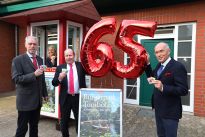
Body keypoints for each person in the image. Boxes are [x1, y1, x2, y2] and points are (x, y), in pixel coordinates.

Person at [145, 42, 188, 137]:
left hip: (170, 112)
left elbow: (183, 90)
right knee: (161, 134)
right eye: (156, 52)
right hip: (158, 109)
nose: (159, 54)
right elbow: (152, 78)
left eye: (161, 51)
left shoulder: (177, 67)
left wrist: (163, 87)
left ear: (168, 51)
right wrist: (147, 63)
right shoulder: (159, 65)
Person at [11, 36, 48, 137]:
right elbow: (16, 79)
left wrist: (45, 94)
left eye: (34, 44)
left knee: (34, 127)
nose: (32, 46)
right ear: (25, 45)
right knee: (22, 128)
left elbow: (42, 79)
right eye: (30, 44)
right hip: (25, 102)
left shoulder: (40, 60)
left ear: (37, 46)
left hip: (37, 101)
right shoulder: (18, 60)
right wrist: (33, 75)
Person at [52, 48, 87, 137]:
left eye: (70, 55)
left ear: (74, 55)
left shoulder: (81, 66)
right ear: (64, 57)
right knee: (64, 121)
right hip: (65, 98)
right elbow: (54, 83)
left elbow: (92, 71)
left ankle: (79, 134)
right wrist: (60, 78)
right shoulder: (60, 68)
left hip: (78, 97)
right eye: (66, 55)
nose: (68, 57)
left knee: (79, 119)